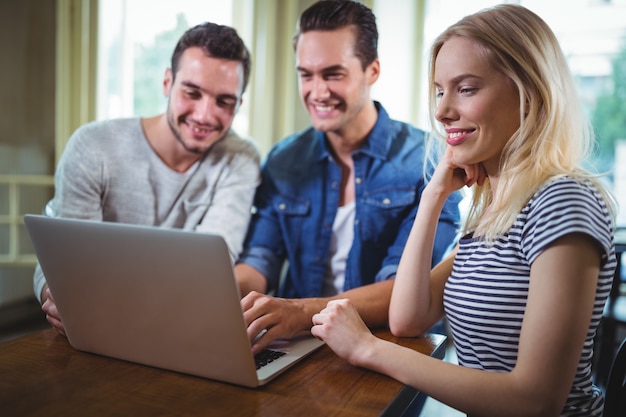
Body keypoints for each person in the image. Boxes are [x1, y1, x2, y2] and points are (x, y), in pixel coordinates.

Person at [311, 4, 618, 416]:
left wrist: (368, 349)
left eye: (466, 89)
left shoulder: (561, 201)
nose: (441, 111)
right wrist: (432, 198)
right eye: (440, 91)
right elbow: (409, 318)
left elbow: (535, 400)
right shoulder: (494, 209)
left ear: (530, 92)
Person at [235, 0, 461, 355]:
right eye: (306, 75)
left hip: (388, 348)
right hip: (294, 342)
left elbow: (404, 289)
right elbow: (260, 259)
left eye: (333, 74)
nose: (317, 92)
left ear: (372, 70)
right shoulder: (284, 159)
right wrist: (220, 295)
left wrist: (301, 312)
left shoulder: (427, 161)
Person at [34, 22, 260, 336]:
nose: (205, 115)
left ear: (239, 104)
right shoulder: (93, 146)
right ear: (168, 82)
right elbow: (68, 262)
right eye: (192, 93)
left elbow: (211, 269)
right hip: (96, 328)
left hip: (180, 329)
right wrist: (53, 289)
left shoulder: (241, 159)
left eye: (224, 101)